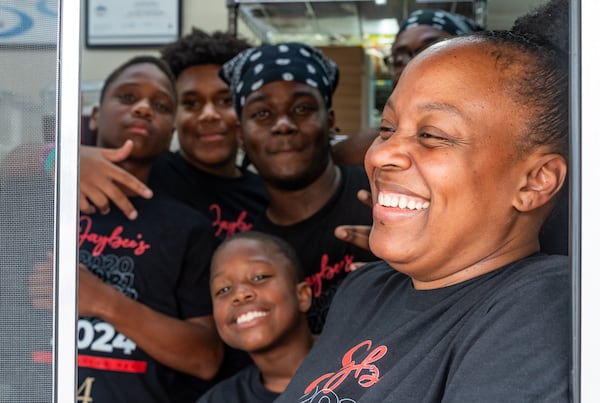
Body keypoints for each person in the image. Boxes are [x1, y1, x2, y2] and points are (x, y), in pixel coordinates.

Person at [276, 0, 570, 401]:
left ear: (535, 182)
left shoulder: (541, 307)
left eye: (432, 135)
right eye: (387, 127)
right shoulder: (365, 289)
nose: (379, 155)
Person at [74, 56, 223, 403]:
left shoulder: (187, 229)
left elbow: (206, 358)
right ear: (95, 115)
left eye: (160, 105)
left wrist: (102, 301)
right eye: (127, 98)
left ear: (171, 130)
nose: (143, 109)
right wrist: (59, 158)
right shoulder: (44, 202)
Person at [219, 43, 379, 335]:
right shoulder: (253, 250)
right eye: (262, 114)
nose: (283, 124)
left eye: (302, 108)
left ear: (329, 122)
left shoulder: (380, 196)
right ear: (241, 136)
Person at [197, 231, 314, 403]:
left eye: (259, 277)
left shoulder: (356, 352)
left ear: (302, 296)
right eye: (223, 290)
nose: (240, 294)